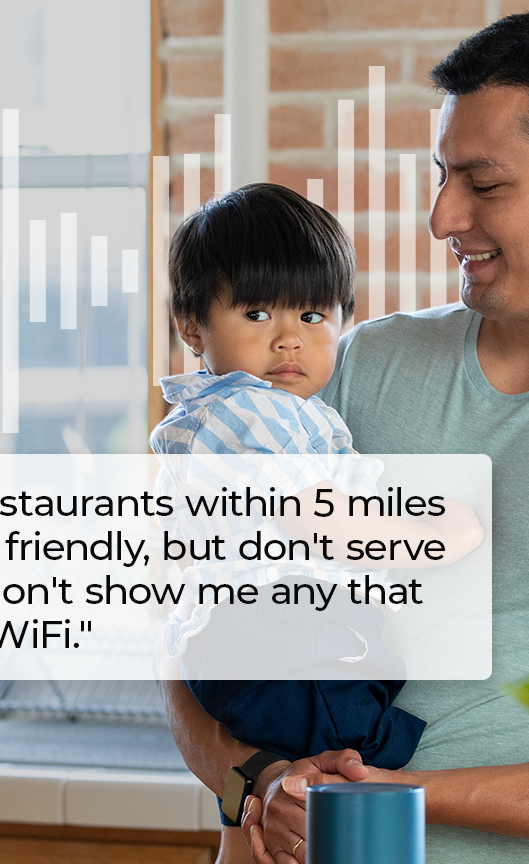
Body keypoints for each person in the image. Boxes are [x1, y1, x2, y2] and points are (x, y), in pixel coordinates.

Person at [161, 10, 529, 864]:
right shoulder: (357, 367)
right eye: (443, 177)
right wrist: (253, 782)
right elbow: (187, 632)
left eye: (483, 185)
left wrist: (383, 801)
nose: (443, 216)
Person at [150, 182, 484, 837]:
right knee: (360, 747)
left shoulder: (258, 413)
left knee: (302, 783)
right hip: (277, 648)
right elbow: (322, 521)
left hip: (250, 651)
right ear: (193, 326)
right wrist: (441, 533)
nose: (288, 341)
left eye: (311, 316)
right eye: (256, 315)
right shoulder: (249, 408)